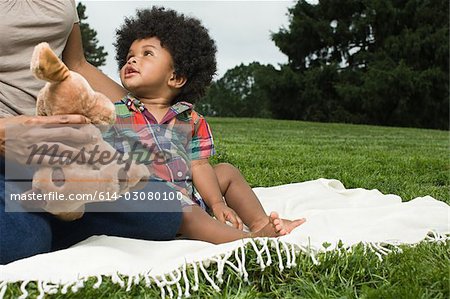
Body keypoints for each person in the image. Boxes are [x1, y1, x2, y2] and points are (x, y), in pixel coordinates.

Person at [0, 0, 182, 264]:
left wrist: (149, 116)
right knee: (19, 242)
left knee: (163, 210)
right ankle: (38, 217)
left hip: (57, 152)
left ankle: (50, 209)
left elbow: (76, 64)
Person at [111, 7, 306, 244]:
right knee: (186, 211)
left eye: (147, 54)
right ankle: (248, 240)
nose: (132, 59)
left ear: (176, 77)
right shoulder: (114, 112)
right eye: (129, 55)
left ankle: (261, 223)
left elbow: (199, 165)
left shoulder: (191, 120)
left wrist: (217, 203)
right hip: (151, 203)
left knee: (226, 171)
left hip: (188, 195)